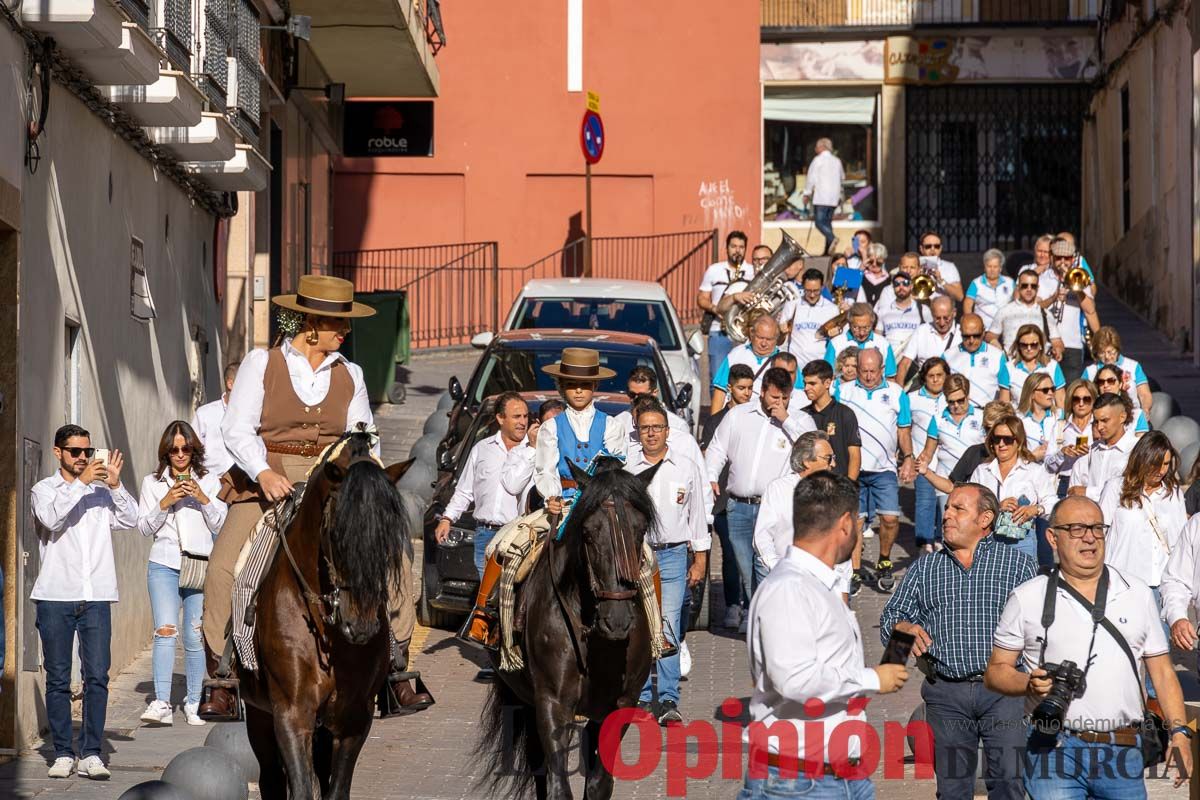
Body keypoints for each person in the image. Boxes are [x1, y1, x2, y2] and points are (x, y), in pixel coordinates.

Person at [200, 274, 431, 719]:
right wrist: (263, 471)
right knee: (224, 568)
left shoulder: (352, 373)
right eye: (337, 323)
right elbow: (236, 427)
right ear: (311, 322)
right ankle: (222, 677)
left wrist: (368, 475)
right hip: (269, 478)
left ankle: (398, 669)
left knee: (397, 560)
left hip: (336, 480)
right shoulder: (260, 363)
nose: (344, 331)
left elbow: (365, 434)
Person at [986, 496, 1193, 798]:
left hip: (1122, 749)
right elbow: (996, 671)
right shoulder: (1027, 597)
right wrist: (1028, 683)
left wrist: (1179, 732)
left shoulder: (1137, 592)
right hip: (1053, 749)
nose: (1090, 537)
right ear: (1052, 537)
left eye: (1097, 528)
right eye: (1076, 528)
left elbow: (1161, 672)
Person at [740, 472, 909, 800]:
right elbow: (794, 679)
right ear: (846, 523)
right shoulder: (790, 589)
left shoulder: (820, 585)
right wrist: (872, 678)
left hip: (839, 773)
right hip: (798, 779)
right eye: (859, 522)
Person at [881, 483, 1035, 800]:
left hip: (1003, 691)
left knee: (1009, 783)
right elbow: (889, 621)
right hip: (945, 694)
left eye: (958, 509)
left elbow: (1043, 629)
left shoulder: (1018, 566)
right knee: (953, 790)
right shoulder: (925, 568)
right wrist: (903, 630)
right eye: (947, 508)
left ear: (985, 519)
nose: (947, 514)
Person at [31, 425, 137, 780]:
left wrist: (116, 485)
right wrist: (80, 485)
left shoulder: (100, 491)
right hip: (55, 596)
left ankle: (92, 752)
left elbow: (131, 519)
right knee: (59, 679)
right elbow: (51, 519)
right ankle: (62, 751)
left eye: (87, 452)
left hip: (96, 597)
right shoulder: (43, 490)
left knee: (97, 677)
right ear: (58, 452)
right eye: (75, 451)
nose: (83, 458)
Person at [137, 421, 227, 728]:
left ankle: (192, 702)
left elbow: (220, 526)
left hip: (199, 564)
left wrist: (202, 498)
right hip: (163, 563)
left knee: (194, 636)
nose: (179, 455)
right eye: (173, 450)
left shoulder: (210, 481)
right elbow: (144, 527)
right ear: (166, 451)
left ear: (194, 450)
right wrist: (166, 501)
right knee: (165, 631)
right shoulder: (153, 482)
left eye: (185, 448)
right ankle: (162, 701)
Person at [627, 399, 711, 725]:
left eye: (657, 428)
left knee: (668, 625)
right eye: (645, 428)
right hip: (639, 555)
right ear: (638, 431)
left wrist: (700, 559)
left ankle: (668, 699)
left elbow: (697, 517)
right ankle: (643, 694)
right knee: (642, 625)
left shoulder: (686, 465)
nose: (651, 434)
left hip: (675, 554)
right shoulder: (628, 467)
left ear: (667, 431)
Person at [705, 367, 815, 606]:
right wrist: (711, 475)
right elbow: (717, 448)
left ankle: (766, 615)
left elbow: (812, 448)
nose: (780, 402)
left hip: (777, 507)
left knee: (769, 564)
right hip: (740, 506)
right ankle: (753, 610)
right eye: (775, 397)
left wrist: (786, 420)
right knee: (745, 565)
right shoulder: (739, 415)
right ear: (762, 391)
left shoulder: (800, 419)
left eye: (785, 398)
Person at [439, 393, 535, 650]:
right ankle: (497, 653)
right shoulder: (482, 449)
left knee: (511, 596)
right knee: (492, 597)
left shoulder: (535, 450)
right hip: (485, 535)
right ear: (500, 418)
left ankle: (506, 651)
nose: (522, 422)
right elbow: (465, 490)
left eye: (525, 416)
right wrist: (448, 517)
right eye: (516, 416)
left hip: (518, 536)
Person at [921, 415, 1054, 563]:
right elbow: (970, 506)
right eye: (997, 439)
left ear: (1018, 441)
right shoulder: (982, 470)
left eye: (1007, 439)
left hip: (1021, 540)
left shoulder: (1034, 470)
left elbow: (1053, 502)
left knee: (1023, 585)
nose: (1001, 444)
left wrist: (1035, 509)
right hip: (987, 539)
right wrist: (996, 507)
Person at [836, 349, 915, 591]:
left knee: (890, 518)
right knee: (856, 522)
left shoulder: (896, 393)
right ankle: (856, 570)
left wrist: (908, 457)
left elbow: (903, 429)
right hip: (854, 468)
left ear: (882, 369)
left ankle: (883, 560)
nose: (868, 376)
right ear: (856, 368)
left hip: (884, 468)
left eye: (873, 371)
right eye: (863, 371)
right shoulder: (843, 391)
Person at [753, 432, 851, 599]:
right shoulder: (779, 489)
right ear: (807, 461)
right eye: (828, 458)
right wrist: (778, 569)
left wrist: (843, 593)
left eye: (833, 457)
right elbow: (762, 536)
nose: (833, 464)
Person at [1100, 432, 1186, 613]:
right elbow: (1099, 534)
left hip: (1161, 586)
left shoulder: (1173, 493)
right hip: (1122, 583)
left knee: (1160, 640)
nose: (1161, 471)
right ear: (1142, 459)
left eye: (1165, 464)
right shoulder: (1116, 487)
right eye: (1156, 464)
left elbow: (1180, 541)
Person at [701, 363, 755, 629]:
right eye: (742, 388)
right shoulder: (715, 421)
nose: (746, 393)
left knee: (750, 553)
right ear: (730, 388)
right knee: (732, 554)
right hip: (722, 499)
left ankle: (750, 604)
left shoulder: (757, 420)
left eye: (750, 388)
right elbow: (709, 459)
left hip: (749, 497)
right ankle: (734, 604)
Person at [916, 374, 987, 556]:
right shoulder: (938, 420)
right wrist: (917, 462)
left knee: (977, 531)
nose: (955, 406)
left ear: (968, 396)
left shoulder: (981, 417)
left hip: (976, 484)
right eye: (951, 402)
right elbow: (928, 452)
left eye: (960, 401)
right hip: (947, 484)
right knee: (952, 531)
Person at [612, 366, 703, 465]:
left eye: (642, 395)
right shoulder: (618, 423)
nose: (636, 399)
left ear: (654, 393)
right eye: (632, 394)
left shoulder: (677, 425)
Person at [697, 230, 752, 380]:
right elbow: (702, 298)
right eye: (733, 246)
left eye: (741, 247)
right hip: (719, 330)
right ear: (726, 248)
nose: (737, 250)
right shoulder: (714, 270)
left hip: (744, 332)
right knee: (718, 378)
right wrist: (715, 309)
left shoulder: (751, 272)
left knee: (744, 378)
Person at [1047, 236, 1101, 383]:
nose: (1063, 262)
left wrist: (1075, 287)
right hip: (1046, 344)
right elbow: (1036, 308)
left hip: (1073, 345)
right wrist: (1054, 297)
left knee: (1071, 393)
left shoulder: (1078, 277)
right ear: (1051, 257)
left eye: (1067, 258)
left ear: (1072, 259)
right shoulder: (1042, 279)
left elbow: (1090, 310)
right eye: (1059, 258)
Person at [908, 358, 948, 552]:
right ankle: (925, 544)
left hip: (948, 463)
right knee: (925, 502)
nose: (935, 380)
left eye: (939, 375)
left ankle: (944, 542)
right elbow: (905, 427)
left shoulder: (952, 398)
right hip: (922, 460)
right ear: (924, 378)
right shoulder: (911, 398)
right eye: (931, 376)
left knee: (946, 505)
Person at [1068, 392, 1138, 501]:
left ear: (1122, 417)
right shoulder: (1093, 450)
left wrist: (1087, 491)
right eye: (1096, 422)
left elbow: (1133, 491)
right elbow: (1074, 490)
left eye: (1105, 420)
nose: (1099, 427)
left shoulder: (1137, 449)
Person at [710, 313, 781, 412]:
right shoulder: (735, 354)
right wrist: (714, 423)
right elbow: (720, 391)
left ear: (776, 339)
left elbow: (798, 393)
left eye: (769, 339)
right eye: (760, 338)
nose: (764, 343)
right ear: (752, 335)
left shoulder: (784, 360)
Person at [985, 269, 1063, 356]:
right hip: (1012, 364)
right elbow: (990, 335)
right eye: (1025, 286)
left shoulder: (1046, 314)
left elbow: (1057, 341)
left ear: (1037, 288)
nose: (1029, 289)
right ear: (1018, 287)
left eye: (1033, 286)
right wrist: (996, 344)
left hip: (1040, 365)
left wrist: (1058, 349)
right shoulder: (1004, 311)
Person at [945, 314, 1011, 408]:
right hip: (957, 413)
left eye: (976, 336)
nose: (971, 340)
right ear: (960, 332)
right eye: (966, 336)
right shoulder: (948, 356)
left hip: (988, 415)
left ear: (983, 332)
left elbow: (1005, 392)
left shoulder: (998, 356)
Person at [777, 267, 838, 369]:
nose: (812, 295)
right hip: (795, 367)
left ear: (822, 287)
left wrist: (836, 333)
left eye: (816, 291)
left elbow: (837, 341)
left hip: (820, 367)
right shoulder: (792, 305)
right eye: (808, 291)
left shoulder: (832, 309)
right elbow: (781, 342)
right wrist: (782, 332)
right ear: (803, 287)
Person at [1045, 378, 1097, 497]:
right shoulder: (1060, 427)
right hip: (1065, 481)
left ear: (1094, 400)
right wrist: (1062, 453)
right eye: (1076, 399)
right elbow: (1048, 466)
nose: (1081, 403)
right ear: (1070, 401)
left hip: (1091, 482)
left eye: (1087, 399)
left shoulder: (1099, 426)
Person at [1083, 326, 1153, 413]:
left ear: (1117, 349)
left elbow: (1145, 394)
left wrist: (1145, 410)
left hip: (1132, 414)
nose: (1107, 357)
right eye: (1102, 353)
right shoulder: (1090, 371)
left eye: (1110, 352)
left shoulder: (1133, 366)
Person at [823, 303, 898, 383]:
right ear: (849, 324)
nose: (862, 333)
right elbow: (827, 377)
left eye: (866, 327)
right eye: (856, 327)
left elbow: (890, 378)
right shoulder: (835, 344)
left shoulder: (883, 344)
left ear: (872, 324)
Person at [946, 401, 1016, 485]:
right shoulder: (974, 452)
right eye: (987, 429)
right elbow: (951, 485)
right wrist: (928, 472)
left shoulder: (1024, 462)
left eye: (995, 429)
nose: (989, 434)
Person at [895, 296, 958, 387]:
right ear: (931, 314)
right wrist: (899, 392)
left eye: (946, 318)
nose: (942, 323)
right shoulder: (921, 331)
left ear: (954, 313)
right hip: (924, 387)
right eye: (937, 318)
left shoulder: (961, 333)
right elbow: (905, 363)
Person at [190, 361, 239, 476]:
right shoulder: (205, 414)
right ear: (230, 384)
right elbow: (192, 452)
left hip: (244, 487)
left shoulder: (254, 416)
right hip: (211, 484)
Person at [800, 137, 844, 255]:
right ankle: (827, 250)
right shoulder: (837, 161)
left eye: (817, 146)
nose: (815, 149)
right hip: (833, 198)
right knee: (827, 223)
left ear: (822, 147)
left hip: (821, 197)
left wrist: (806, 193)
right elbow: (842, 178)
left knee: (819, 222)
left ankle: (831, 238)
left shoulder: (818, 160)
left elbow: (811, 178)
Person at [1007, 324, 1066, 410]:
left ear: (1041, 345)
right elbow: (1005, 404)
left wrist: (1062, 420)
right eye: (1024, 345)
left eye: (1033, 344)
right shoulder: (1008, 368)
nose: (1029, 348)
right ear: (1018, 346)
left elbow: (1061, 401)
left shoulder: (1053, 366)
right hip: (1019, 419)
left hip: (1049, 420)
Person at [872, 270, 926, 356]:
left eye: (905, 283)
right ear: (893, 288)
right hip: (891, 358)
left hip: (914, 360)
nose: (901, 287)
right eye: (897, 284)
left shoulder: (923, 310)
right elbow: (877, 338)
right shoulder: (883, 310)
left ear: (911, 286)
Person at [963, 248, 1015, 330]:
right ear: (984, 267)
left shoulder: (1010, 282)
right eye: (989, 266)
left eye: (995, 267)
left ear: (1000, 268)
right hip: (984, 328)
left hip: (1006, 327)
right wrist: (970, 323)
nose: (992, 270)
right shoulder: (976, 283)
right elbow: (968, 305)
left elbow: (1017, 301)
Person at [1091, 363, 1150, 435]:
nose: (1105, 385)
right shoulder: (1090, 414)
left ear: (1120, 384)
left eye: (1111, 381)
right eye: (1101, 382)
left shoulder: (1137, 416)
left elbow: (1143, 445)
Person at [1016, 372, 1061, 463]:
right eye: (1045, 390)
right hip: (1029, 474)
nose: (1051, 393)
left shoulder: (1060, 415)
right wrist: (1032, 456)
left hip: (1056, 474)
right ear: (1032, 393)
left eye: (1053, 389)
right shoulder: (1018, 419)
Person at [916, 230, 964, 302]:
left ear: (941, 248)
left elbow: (960, 297)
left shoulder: (950, 267)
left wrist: (941, 281)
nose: (933, 249)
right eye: (928, 246)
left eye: (936, 246)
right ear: (921, 248)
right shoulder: (914, 266)